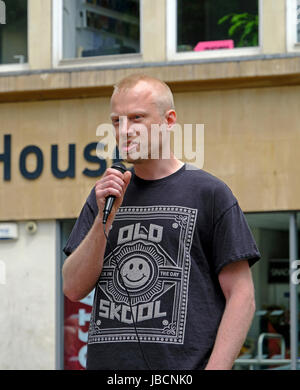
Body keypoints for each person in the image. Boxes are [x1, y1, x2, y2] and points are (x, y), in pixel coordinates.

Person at [62, 74, 261, 370]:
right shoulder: (105, 195)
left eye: (136, 118)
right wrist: (103, 222)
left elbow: (242, 296)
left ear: (169, 121)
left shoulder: (209, 193)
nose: (124, 131)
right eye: (117, 121)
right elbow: (73, 288)